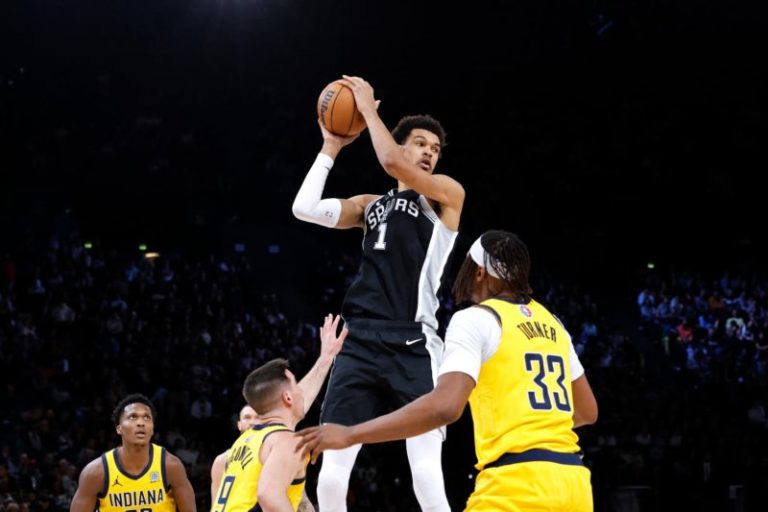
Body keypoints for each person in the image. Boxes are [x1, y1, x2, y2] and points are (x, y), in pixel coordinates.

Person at [298, 230, 599, 511]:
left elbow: (444, 408)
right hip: (573, 481)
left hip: (516, 484)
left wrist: (351, 433)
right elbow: (587, 411)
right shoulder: (553, 323)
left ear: (480, 272)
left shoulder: (475, 319)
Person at [292, 75, 464, 512]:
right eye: (420, 144)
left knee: (426, 473)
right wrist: (331, 146)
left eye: (435, 148)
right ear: (403, 144)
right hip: (361, 340)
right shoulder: (372, 205)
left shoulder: (446, 196)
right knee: (331, 475)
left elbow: (391, 164)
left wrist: (367, 110)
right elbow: (304, 209)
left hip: (413, 340)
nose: (429, 152)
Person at [211, 314, 347, 512]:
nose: (302, 391)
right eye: (296, 388)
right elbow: (269, 496)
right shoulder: (287, 441)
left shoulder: (246, 441)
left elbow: (291, 405)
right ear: (288, 398)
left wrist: (326, 358)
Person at [70, 394, 196, 512]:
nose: (141, 423)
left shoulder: (171, 466)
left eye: (147, 418)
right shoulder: (96, 472)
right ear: (119, 428)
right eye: (133, 417)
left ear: (152, 428)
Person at [210, 405, 259, 499]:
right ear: (239, 425)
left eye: (257, 417)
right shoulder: (222, 460)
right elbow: (216, 505)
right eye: (247, 417)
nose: (252, 422)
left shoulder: (273, 457)